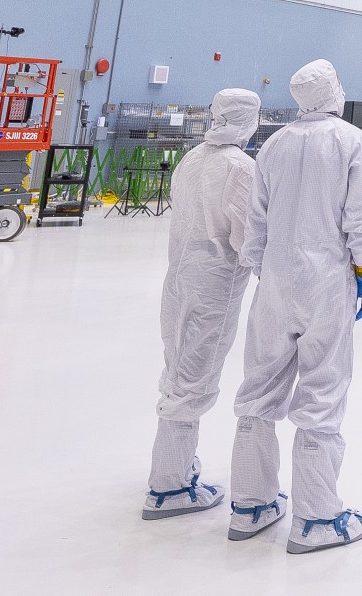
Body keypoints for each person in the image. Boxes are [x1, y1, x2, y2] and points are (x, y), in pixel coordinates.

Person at [228, 59, 362, 553]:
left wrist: (264, 270)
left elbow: (257, 220)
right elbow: (360, 216)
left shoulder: (273, 143)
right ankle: (316, 520)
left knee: (258, 389)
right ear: (333, 91)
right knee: (321, 393)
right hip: (325, 280)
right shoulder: (349, 140)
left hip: (273, 280)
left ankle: (250, 505)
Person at [142, 89, 263, 521]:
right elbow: (249, 238)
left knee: (176, 370)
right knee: (196, 378)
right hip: (214, 284)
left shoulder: (193, 159)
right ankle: (169, 487)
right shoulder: (241, 167)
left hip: (178, 277)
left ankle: (174, 465)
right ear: (249, 120)